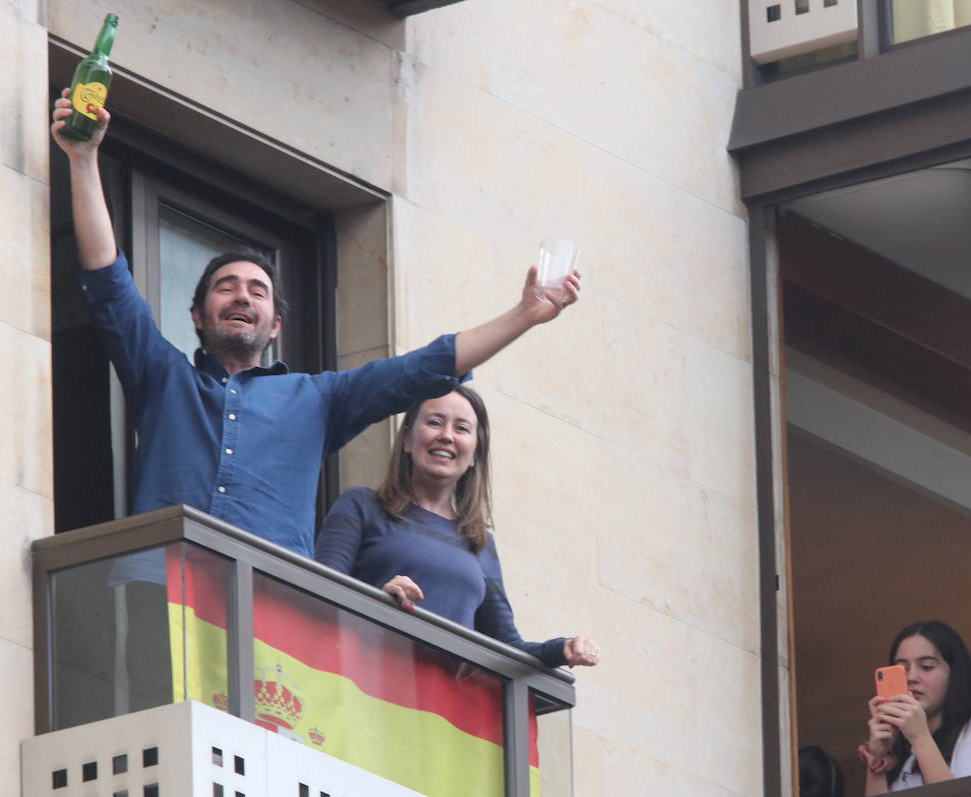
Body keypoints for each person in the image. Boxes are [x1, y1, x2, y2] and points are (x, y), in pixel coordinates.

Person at [50, 90, 582, 557]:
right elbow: (109, 281)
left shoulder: (318, 399)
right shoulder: (164, 378)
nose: (242, 296)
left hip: (267, 606)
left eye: (258, 291)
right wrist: (83, 156)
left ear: (275, 325)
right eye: (226, 286)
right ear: (197, 315)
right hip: (164, 584)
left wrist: (524, 316)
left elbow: (423, 368)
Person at [314, 387, 599, 669]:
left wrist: (560, 649)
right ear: (407, 440)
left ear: (475, 454)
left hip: (442, 708)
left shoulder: (479, 542)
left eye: (461, 428)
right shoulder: (361, 506)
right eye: (434, 422)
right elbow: (317, 596)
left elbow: (506, 647)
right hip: (362, 685)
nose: (447, 436)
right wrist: (377, 596)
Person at [859, 620, 971, 795]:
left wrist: (919, 737)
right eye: (902, 669)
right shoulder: (906, 756)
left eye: (926, 667)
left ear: (954, 674)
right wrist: (877, 756)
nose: (911, 677)